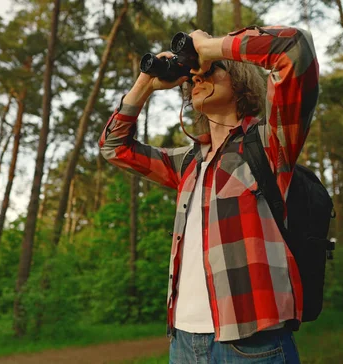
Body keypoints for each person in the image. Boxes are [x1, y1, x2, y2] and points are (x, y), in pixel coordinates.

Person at [99, 25, 319, 363]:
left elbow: (294, 49)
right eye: (191, 80)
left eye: (210, 71)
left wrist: (209, 47)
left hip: (253, 344)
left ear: (240, 80)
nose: (196, 80)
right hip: (183, 344)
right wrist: (145, 84)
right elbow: (114, 148)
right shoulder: (187, 162)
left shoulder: (269, 144)